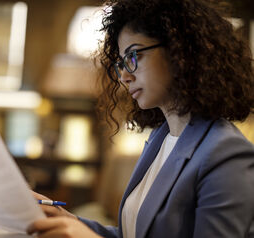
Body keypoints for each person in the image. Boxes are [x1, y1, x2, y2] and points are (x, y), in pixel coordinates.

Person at [27, 0, 254, 237]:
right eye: (121, 64)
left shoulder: (227, 154)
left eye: (133, 55)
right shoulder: (162, 137)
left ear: (180, 50)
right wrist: (68, 221)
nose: (124, 76)